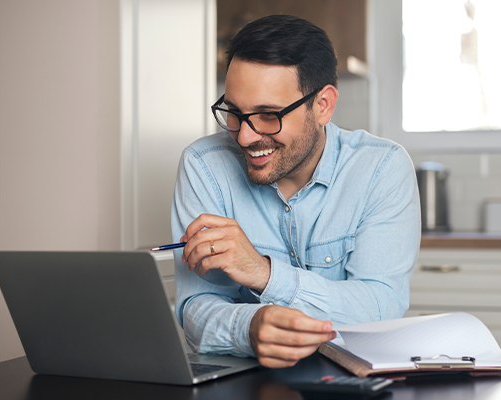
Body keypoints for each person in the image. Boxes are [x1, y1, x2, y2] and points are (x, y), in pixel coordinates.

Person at [171, 14, 421, 368]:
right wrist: (249, 327)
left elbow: (381, 308)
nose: (245, 136)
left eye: (268, 115)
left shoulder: (382, 168)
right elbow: (196, 307)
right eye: (234, 112)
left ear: (323, 106)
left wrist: (265, 274)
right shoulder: (204, 166)